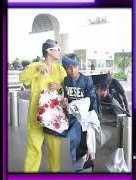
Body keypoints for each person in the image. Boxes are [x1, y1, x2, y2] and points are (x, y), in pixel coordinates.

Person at [19, 39, 67, 172]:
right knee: (34, 149)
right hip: (36, 116)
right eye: (58, 49)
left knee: (55, 151)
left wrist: (60, 87)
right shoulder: (35, 66)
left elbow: (66, 88)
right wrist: (36, 69)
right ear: (49, 51)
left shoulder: (60, 69)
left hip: (55, 117)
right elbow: (22, 78)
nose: (59, 52)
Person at [61, 55, 100, 171]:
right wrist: (65, 100)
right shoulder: (66, 80)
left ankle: (84, 166)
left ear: (78, 66)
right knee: (75, 142)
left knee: (84, 142)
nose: (72, 70)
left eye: (75, 66)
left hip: (85, 118)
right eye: (69, 68)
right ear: (65, 68)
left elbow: (92, 99)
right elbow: (66, 97)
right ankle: (81, 166)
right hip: (72, 117)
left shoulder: (86, 80)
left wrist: (94, 117)